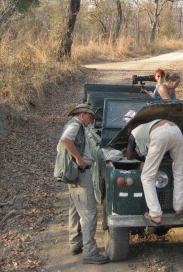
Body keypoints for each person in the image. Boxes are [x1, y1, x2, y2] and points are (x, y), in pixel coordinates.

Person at [54, 104, 109, 264]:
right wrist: (79, 159)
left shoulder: (74, 125)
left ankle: (75, 243)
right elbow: (65, 140)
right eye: (90, 117)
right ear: (83, 114)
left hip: (75, 174)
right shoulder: (75, 125)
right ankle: (90, 252)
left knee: (75, 210)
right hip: (80, 174)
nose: (91, 121)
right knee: (89, 213)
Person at [125, 119, 183, 224]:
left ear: (130, 129)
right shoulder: (147, 126)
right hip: (176, 130)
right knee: (178, 170)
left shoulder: (133, 133)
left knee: (146, 177)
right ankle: (179, 207)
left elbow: (129, 156)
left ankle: (155, 213)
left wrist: (126, 151)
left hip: (160, 135)